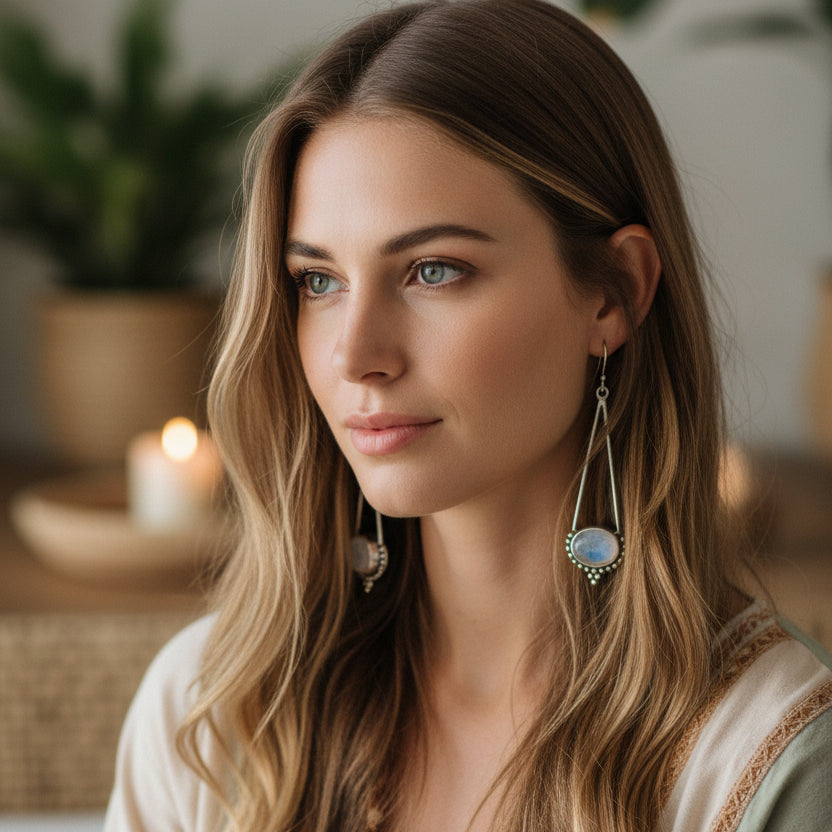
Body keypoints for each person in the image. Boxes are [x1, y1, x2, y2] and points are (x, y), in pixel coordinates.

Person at [104, 1, 832, 830]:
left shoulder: (769, 759)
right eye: (319, 281)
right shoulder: (212, 720)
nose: (354, 356)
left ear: (615, 291)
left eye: (434, 271)